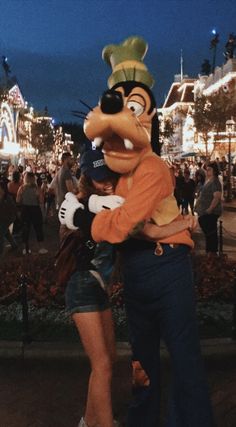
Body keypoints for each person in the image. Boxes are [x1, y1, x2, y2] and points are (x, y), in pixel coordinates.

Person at [16, 172, 48, 255]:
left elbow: (18, 200)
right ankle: (41, 248)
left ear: (25, 179)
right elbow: (41, 201)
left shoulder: (21, 188)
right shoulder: (37, 189)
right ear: (34, 179)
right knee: (38, 228)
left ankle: (25, 249)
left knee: (25, 229)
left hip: (25, 210)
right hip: (35, 210)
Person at [195, 161, 222, 255]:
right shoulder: (209, 180)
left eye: (209, 170)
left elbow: (217, 197)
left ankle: (212, 251)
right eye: (207, 170)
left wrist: (210, 209)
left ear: (214, 171)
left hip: (210, 212)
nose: (207, 171)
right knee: (209, 233)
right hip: (205, 211)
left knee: (211, 232)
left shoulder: (215, 181)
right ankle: (210, 251)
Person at [0, 180, 17, 257]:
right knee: (6, 232)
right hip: (3, 218)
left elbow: (13, 209)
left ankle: (0, 252)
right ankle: (14, 245)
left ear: (3, 189)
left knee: (1, 234)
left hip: (7, 218)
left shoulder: (8, 198)